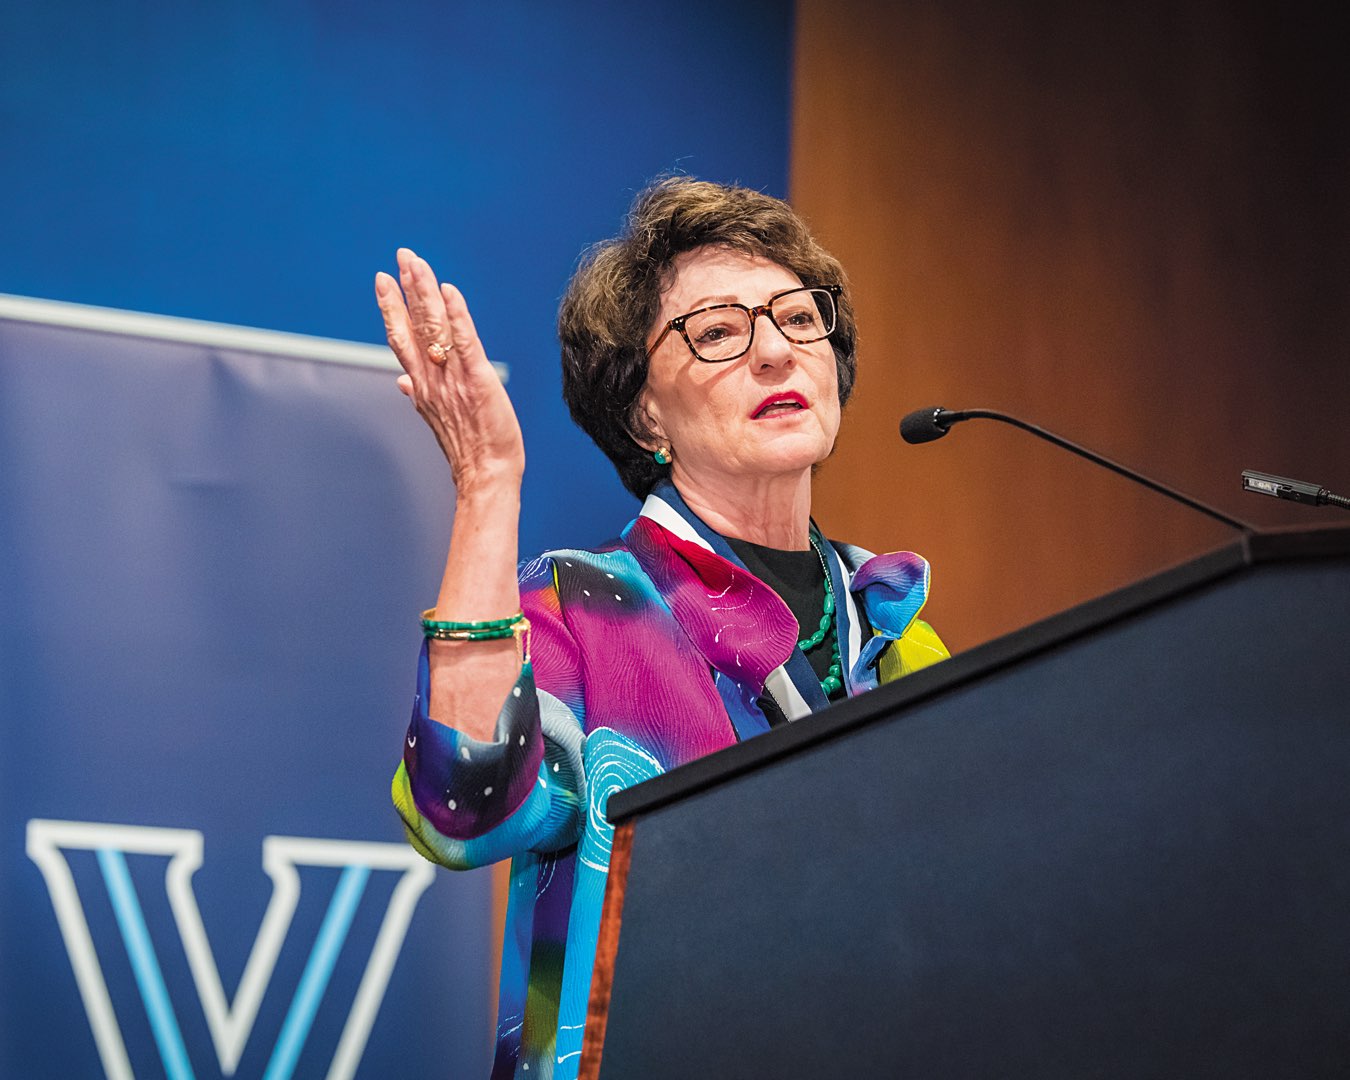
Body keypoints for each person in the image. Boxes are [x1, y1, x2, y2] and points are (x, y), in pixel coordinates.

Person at [375, 178, 949, 1080]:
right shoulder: (583, 609)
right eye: (719, 332)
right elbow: (465, 806)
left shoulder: (896, 628)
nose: (776, 353)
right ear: (645, 412)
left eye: (801, 319)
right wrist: (489, 482)